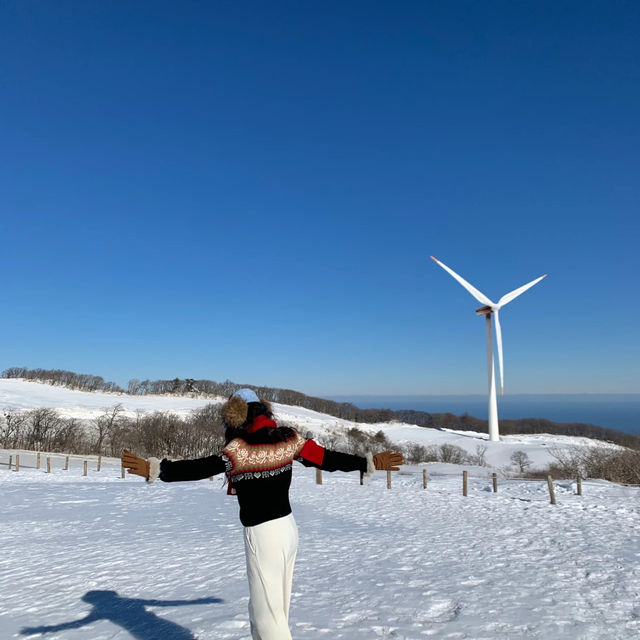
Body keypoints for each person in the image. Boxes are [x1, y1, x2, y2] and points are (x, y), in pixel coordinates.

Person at [122, 388, 404, 640]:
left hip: (263, 535)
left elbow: (200, 468)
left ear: (236, 417)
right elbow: (327, 458)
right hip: (288, 529)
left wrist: (158, 469)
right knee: (270, 607)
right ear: (264, 410)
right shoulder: (288, 439)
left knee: (269, 616)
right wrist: (368, 463)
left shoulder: (238, 449)